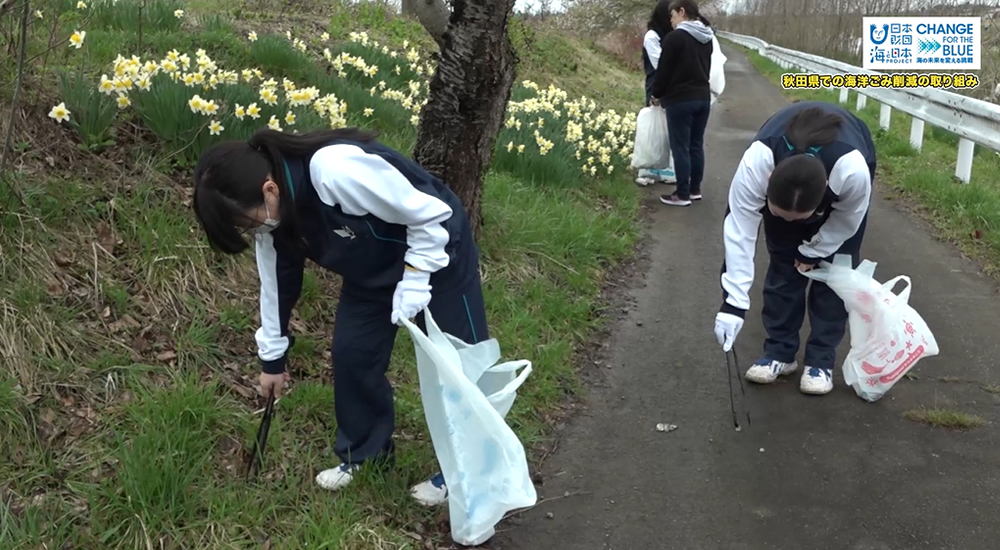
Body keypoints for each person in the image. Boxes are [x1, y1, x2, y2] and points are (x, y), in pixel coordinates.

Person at [192, 126, 490, 506]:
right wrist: (272, 359)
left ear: (269, 189)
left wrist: (416, 278)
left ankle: (465, 470)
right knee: (353, 355)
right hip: (369, 274)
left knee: (457, 364)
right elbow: (276, 287)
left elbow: (432, 214)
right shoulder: (274, 222)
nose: (254, 230)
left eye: (248, 222)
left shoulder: (333, 171)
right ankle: (366, 456)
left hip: (440, 253)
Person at [714, 100, 877, 395]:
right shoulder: (758, 161)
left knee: (834, 273)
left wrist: (813, 251)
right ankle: (779, 352)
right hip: (788, 184)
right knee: (783, 262)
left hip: (843, 182)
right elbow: (739, 230)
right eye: (778, 213)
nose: (789, 221)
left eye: (798, 218)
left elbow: (847, 221)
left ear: (827, 193)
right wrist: (733, 303)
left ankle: (820, 361)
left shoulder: (851, 171)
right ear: (768, 181)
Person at [649, 0, 714, 207]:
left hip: (680, 100)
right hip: (703, 97)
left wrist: (656, 94)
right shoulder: (707, 37)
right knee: (696, 145)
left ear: (682, 12)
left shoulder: (674, 38)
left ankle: (682, 194)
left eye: (672, 15)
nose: (671, 20)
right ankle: (695, 189)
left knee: (680, 147)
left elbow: (663, 72)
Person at [635, 8, 677, 187]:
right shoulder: (652, 36)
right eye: (671, 15)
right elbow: (659, 63)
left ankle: (667, 169)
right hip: (656, 85)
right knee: (654, 129)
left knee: (669, 128)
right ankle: (649, 169)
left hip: (673, 86)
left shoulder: (673, 35)